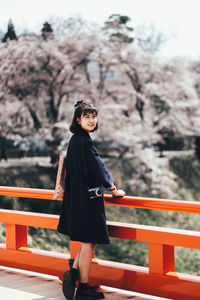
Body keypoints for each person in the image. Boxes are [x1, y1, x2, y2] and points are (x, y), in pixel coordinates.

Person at [57, 100, 125, 300]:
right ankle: (84, 289)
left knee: (90, 241)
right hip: (87, 198)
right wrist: (112, 188)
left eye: (93, 116)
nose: (91, 120)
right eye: (86, 116)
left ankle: (73, 273)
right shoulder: (84, 141)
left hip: (77, 197)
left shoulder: (75, 139)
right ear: (78, 120)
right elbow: (97, 167)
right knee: (88, 242)